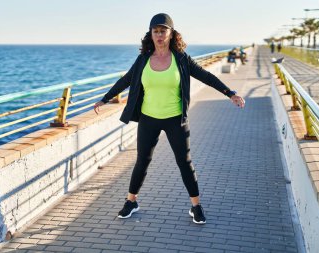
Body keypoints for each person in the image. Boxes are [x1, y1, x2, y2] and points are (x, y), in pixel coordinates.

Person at [94, 13, 245, 224]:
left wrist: (230, 93)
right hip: (148, 119)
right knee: (142, 161)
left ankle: (196, 206)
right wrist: (105, 98)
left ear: (171, 33)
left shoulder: (181, 59)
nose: (159, 35)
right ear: (151, 34)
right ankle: (131, 201)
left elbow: (207, 77)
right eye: (155, 31)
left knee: (184, 162)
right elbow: (127, 80)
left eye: (163, 31)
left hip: (175, 119)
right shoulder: (143, 60)